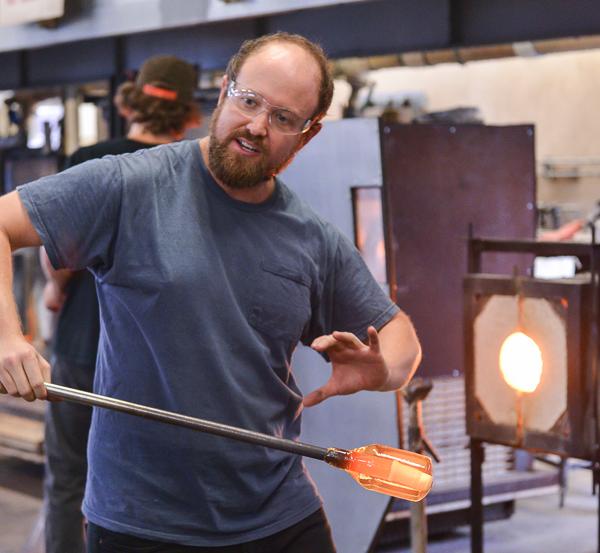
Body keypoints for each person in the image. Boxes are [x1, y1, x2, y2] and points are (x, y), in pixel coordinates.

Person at [0, 32, 421, 552]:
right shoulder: (131, 186)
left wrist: (383, 370)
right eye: (249, 101)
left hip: (277, 514)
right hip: (143, 523)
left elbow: (401, 336)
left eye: (284, 118)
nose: (257, 127)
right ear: (224, 92)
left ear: (307, 136)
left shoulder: (309, 237)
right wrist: (7, 336)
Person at [38, 55, 201, 553]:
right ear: (189, 111)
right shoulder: (194, 170)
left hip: (84, 344)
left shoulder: (91, 159)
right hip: (160, 360)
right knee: (155, 487)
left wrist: (56, 289)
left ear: (132, 99)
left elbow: (59, 253)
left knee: (69, 477)